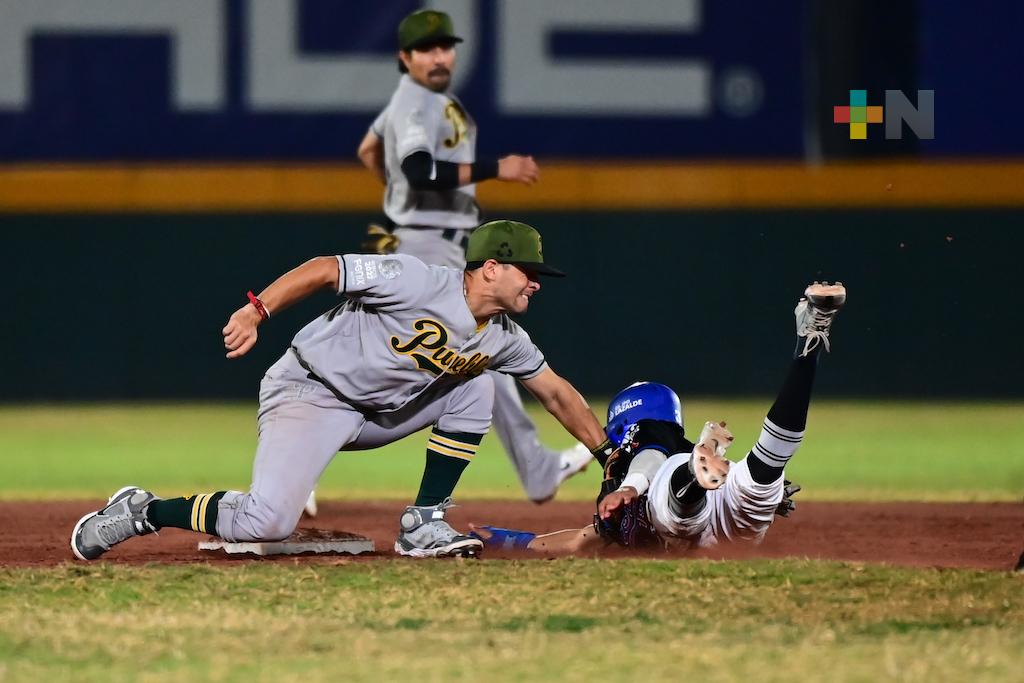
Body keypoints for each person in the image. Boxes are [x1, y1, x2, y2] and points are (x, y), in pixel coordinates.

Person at [70, 220, 614, 561]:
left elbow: (558, 393)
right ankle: (144, 510)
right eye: (528, 271)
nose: (536, 282)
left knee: (479, 386)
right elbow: (326, 269)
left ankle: (423, 523)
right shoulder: (418, 279)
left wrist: (608, 456)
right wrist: (257, 310)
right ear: (491, 268)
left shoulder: (503, 337)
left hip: (376, 414)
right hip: (309, 392)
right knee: (268, 521)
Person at [354, 9, 591, 505]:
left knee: (473, 353)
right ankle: (536, 467)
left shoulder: (424, 101)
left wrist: (393, 192)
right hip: (428, 240)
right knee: (475, 350)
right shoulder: (417, 102)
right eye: (427, 49)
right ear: (405, 58)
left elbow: (368, 149)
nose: (440, 56)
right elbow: (418, 170)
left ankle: (536, 466)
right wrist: (494, 168)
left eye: (446, 46)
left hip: (430, 236)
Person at [469, 282, 847, 554]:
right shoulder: (661, 441)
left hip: (683, 503)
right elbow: (580, 541)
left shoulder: (642, 442)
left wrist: (631, 487)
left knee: (672, 505)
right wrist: (505, 540)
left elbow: (650, 454)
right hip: (729, 524)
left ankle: (695, 480)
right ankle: (808, 347)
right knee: (764, 471)